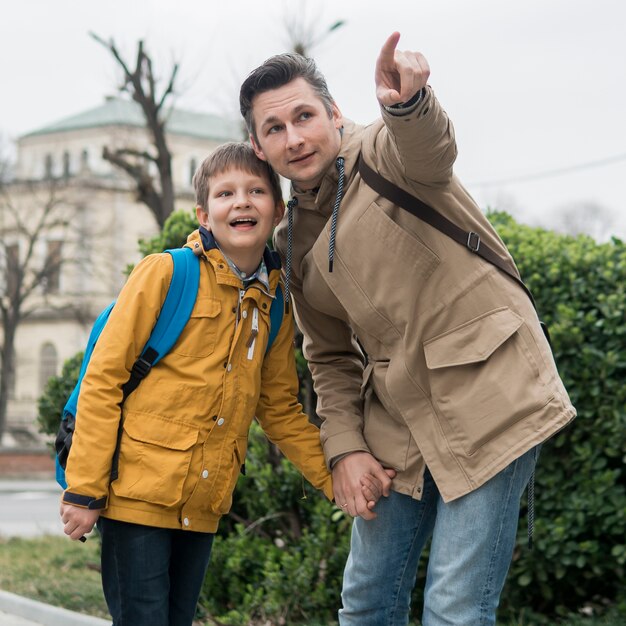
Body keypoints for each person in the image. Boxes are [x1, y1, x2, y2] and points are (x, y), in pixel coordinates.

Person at [239, 32, 576, 625]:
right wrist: (344, 448)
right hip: (396, 421)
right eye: (275, 129)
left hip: (488, 392)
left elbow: (429, 150)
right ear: (258, 145)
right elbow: (330, 359)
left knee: (455, 610)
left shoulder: (383, 152)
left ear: (335, 114)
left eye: (304, 116)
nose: (294, 138)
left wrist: (409, 106)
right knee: (365, 603)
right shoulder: (291, 239)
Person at [59, 142, 383, 626]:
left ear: (276, 209)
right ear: (204, 215)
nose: (242, 202)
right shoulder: (165, 274)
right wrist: (84, 492)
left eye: (256, 191)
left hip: (202, 507)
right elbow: (102, 382)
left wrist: (333, 476)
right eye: (225, 193)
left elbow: (278, 410)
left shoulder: (274, 304)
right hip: (134, 502)